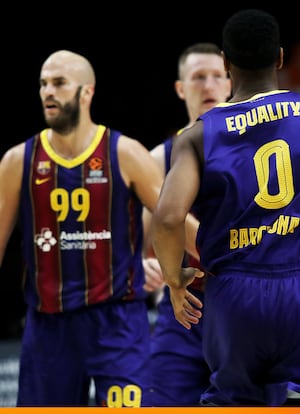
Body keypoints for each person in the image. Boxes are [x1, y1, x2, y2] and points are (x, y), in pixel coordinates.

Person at [150, 9, 300, 407]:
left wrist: (176, 282)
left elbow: (168, 217)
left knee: (234, 401)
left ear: (226, 64)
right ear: (280, 57)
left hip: (234, 294)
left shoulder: (197, 135)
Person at [0, 49, 200, 407]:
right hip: (48, 327)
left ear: (86, 92)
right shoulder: (18, 161)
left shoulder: (125, 153)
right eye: (43, 83)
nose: (48, 91)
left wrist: (235, 260)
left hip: (117, 322)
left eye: (59, 83)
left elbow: (175, 221)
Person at [142, 42, 231, 406]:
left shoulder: (264, 149)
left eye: (217, 76)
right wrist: (141, 263)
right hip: (185, 306)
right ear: (181, 88)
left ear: (230, 83)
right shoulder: (157, 158)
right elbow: (129, 237)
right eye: (198, 77)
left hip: (246, 304)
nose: (208, 85)